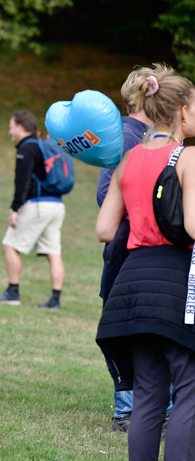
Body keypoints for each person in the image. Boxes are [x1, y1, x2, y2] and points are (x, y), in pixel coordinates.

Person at [96, 63, 195, 461]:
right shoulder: (187, 158)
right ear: (182, 111)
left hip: (132, 285)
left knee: (150, 394)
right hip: (176, 284)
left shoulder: (130, 157)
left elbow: (104, 228)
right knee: (189, 389)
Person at [96, 69, 152, 433]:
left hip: (140, 248)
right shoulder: (126, 136)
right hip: (129, 248)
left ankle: (146, 406)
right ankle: (129, 408)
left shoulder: (150, 137)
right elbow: (106, 195)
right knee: (124, 329)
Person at [0, 110, 65, 309]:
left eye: (11, 127)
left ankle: (12, 293)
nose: (10, 132)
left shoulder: (27, 148)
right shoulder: (42, 146)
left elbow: (21, 181)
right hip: (57, 204)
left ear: (21, 127)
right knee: (53, 251)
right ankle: (55, 300)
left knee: (10, 244)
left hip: (38, 204)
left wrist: (15, 208)